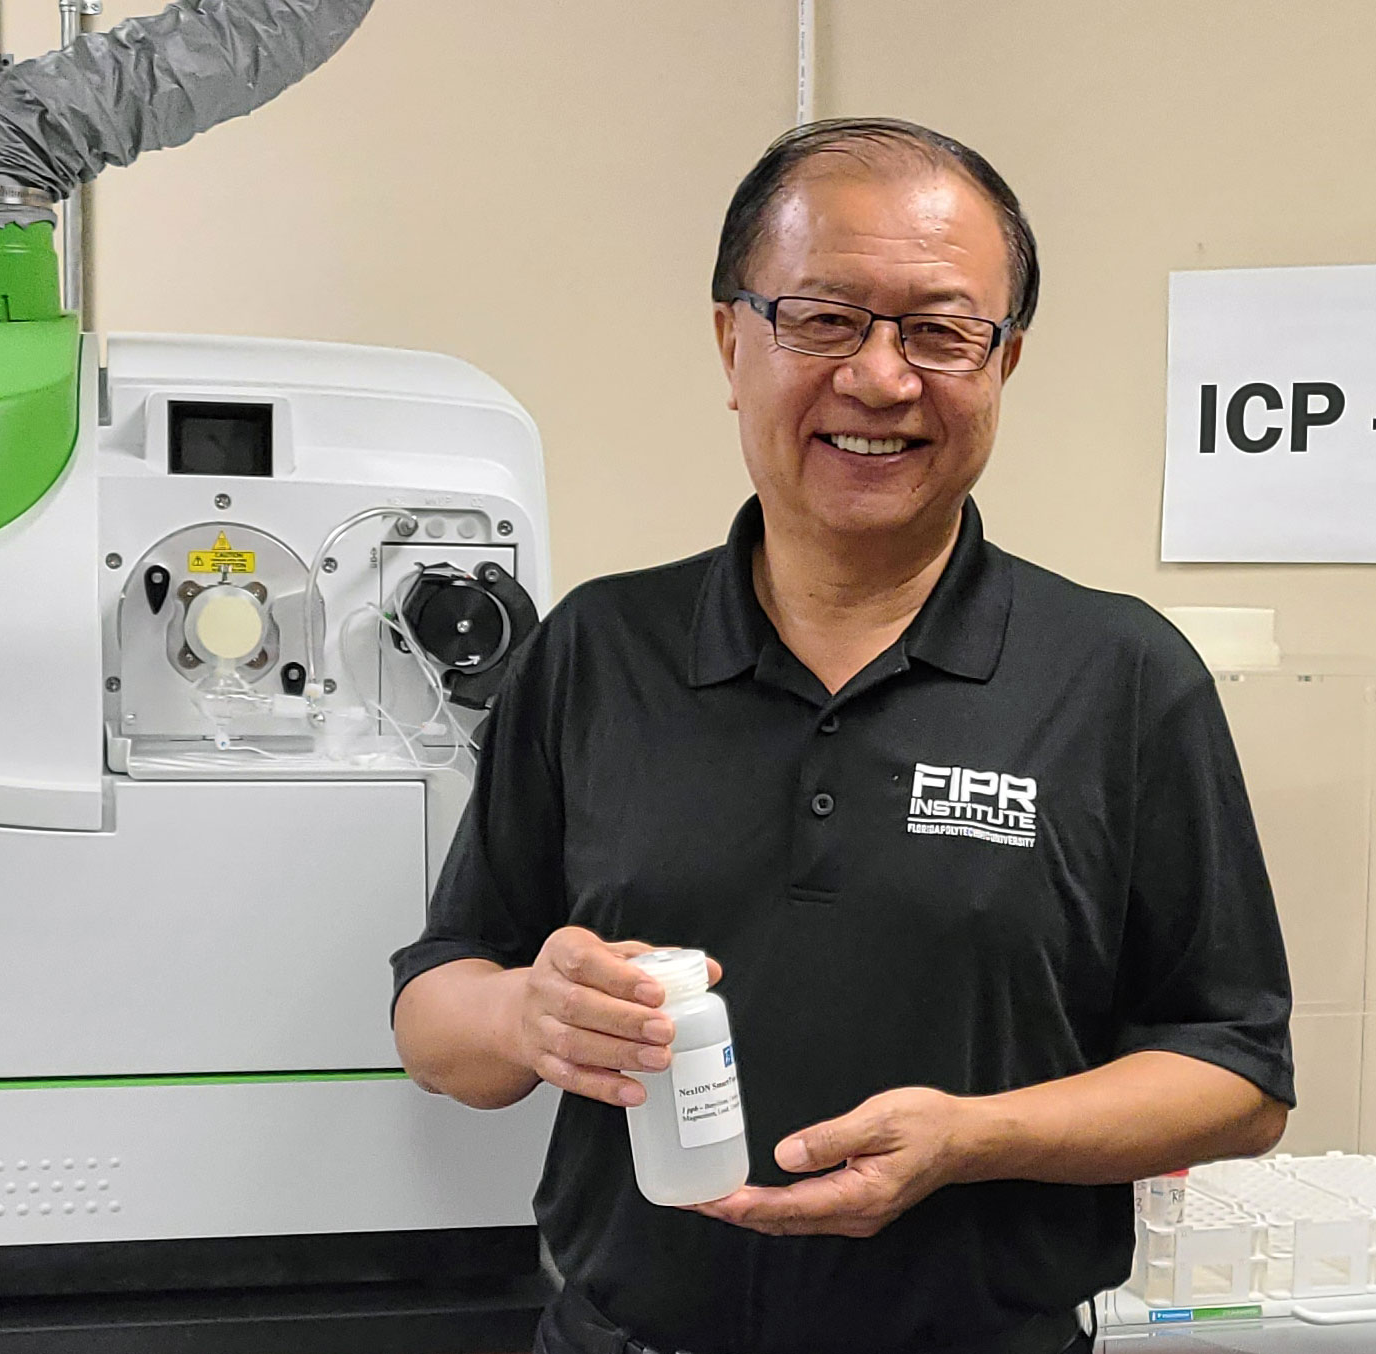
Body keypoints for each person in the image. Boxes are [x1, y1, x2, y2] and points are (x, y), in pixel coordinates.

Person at [390, 117, 1294, 1354]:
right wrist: (525, 1018)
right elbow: (436, 1011)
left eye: (939, 330)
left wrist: (970, 1140)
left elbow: (1235, 1074)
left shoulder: (1120, 678)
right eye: (821, 318)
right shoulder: (598, 648)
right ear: (729, 340)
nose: (879, 378)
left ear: (1003, 363)